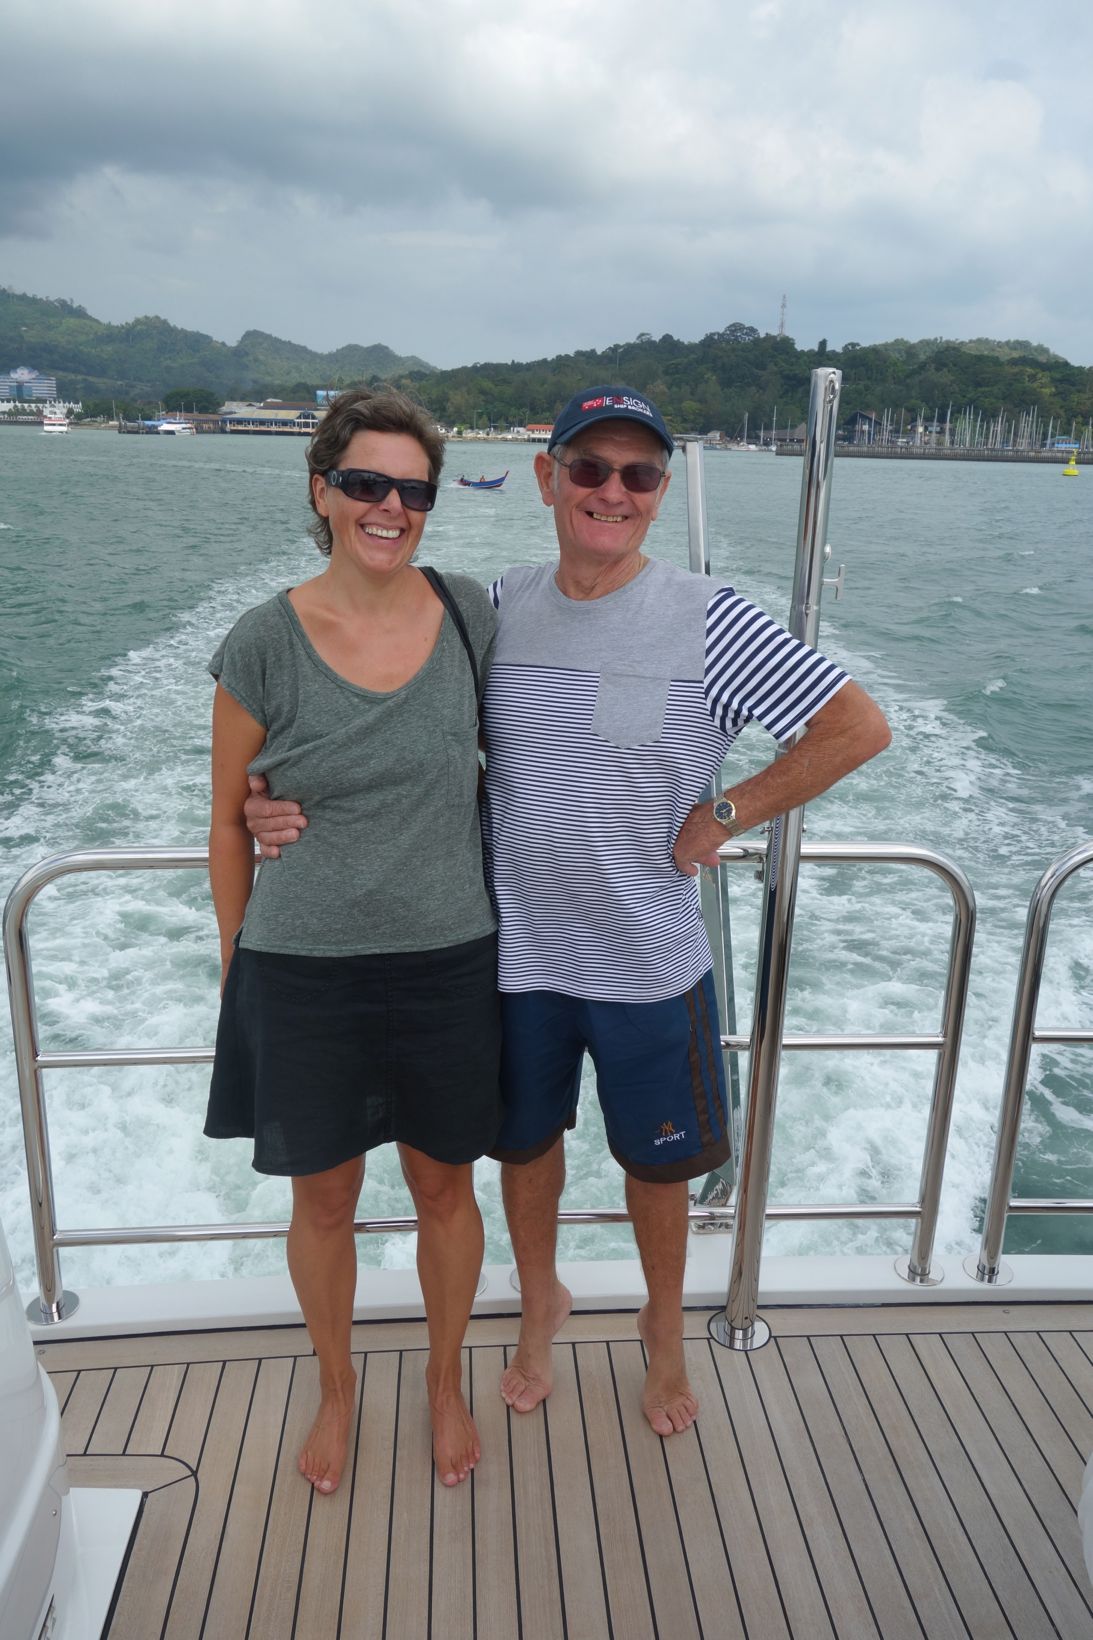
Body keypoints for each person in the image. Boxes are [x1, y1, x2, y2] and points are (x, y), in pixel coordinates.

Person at [245, 384, 891, 1439]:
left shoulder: (712, 617)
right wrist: (267, 800)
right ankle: (538, 1306)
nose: (612, 491)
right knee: (522, 1150)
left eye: (638, 474)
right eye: (589, 468)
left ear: (660, 491)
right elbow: (399, 737)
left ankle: (663, 1331)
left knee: (659, 1170)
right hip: (514, 957)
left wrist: (725, 811)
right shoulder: (495, 609)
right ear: (548, 478)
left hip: (648, 962)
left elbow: (856, 727)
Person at [206, 387, 501, 1494]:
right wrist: (236, 962)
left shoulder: (469, 614)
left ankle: (442, 1379)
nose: (391, 507)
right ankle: (336, 1387)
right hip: (303, 969)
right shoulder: (264, 641)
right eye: (367, 483)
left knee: (444, 1191)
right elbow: (225, 818)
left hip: (448, 957)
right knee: (322, 1199)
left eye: (413, 491)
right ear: (322, 490)